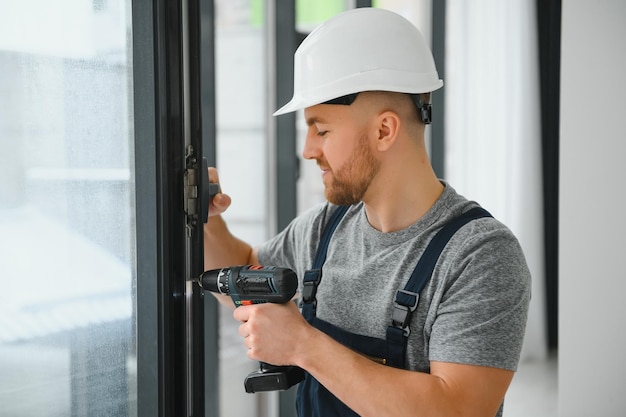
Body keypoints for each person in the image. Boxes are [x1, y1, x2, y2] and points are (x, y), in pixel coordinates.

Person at [204, 7, 530, 417]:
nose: (308, 150)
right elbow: (250, 273)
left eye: (321, 130)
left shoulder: (480, 255)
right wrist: (207, 221)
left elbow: (459, 408)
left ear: (384, 130)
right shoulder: (326, 228)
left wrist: (303, 345)